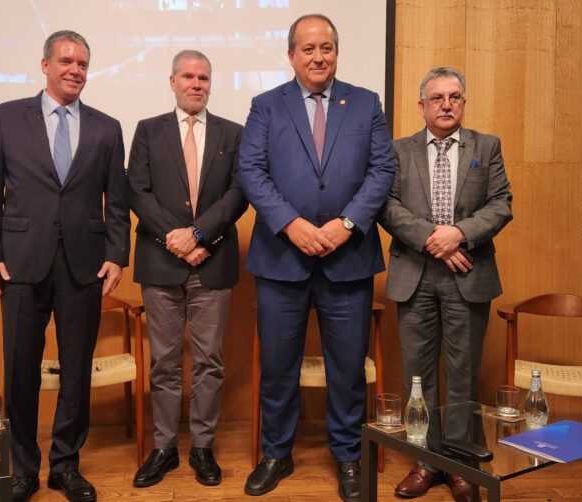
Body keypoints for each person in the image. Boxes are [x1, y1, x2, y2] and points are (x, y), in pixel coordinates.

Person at [237, 14, 395, 502]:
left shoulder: (366, 103)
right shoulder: (266, 105)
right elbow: (251, 170)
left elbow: (382, 169)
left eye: (326, 47)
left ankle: (348, 456)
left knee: (346, 369)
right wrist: (292, 224)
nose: (318, 56)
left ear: (337, 53)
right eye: (308, 49)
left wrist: (346, 224)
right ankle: (276, 454)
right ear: (291, 55)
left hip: (348, 259)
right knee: (278, 367)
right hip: (281, 258)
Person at [0, 30, 130, 502]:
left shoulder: (107, 127)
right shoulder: (5, 117)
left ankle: (65, 465)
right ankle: (23, 469)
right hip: (20, 264)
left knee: (77, 370)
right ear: (45, 65)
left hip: (85, 266)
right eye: (66, 61)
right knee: (20, 369)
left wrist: (116, 255)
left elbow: (117, 203)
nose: (74, 70)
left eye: (82, 64)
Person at [378, 66, 513, 502]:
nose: (446, 105)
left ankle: (459, 465)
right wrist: (434, 239)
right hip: (413, 274)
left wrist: (459, 233)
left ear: (464, 103)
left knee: (462, 376)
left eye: (454, 97)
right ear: (422, 106)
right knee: (418, 378)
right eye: (437, 98)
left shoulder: (486, 146)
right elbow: (387, 206)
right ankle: (425, 462)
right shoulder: (398, 150)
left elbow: (501, 204)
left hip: (468, 274)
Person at [126, 49, 247, 488]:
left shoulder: (233, 133)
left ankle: (202, 447)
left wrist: (198, 236)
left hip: (212, 263)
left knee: (209, 362)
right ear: (172, 82)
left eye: (203, 78)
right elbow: (137, 192)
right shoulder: (148, 130)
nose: (196, 84)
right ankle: (163, 448)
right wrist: (176, 241)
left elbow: (238, 194)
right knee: (164, 362)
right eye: (188, 77)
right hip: (161, 264)